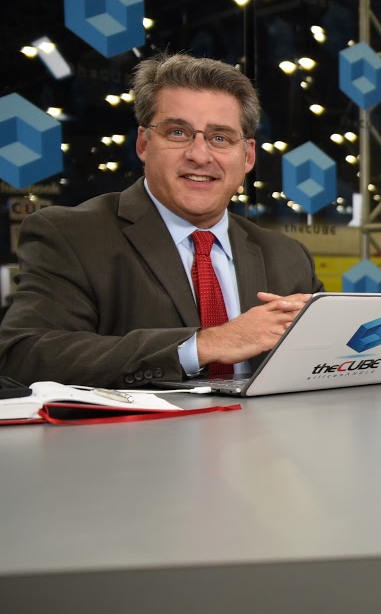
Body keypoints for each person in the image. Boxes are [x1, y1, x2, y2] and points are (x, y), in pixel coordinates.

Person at [0, 52, 322, 388]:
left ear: (248, 156)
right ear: (144, 144)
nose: (199, 155)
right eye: (178, 133)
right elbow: (25, 355)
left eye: (220, 138)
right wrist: (204, 345)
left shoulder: (288, 256)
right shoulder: (71, 236)